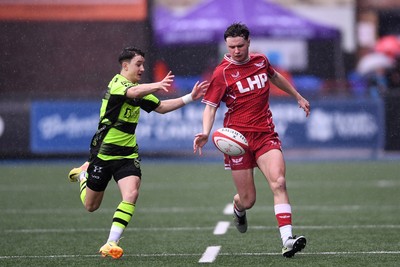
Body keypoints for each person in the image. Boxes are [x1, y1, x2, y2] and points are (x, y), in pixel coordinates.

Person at [68, 46, 209, 259]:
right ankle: (83, 175)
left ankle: (111, 242)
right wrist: (158, 85)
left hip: (127, 154)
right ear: (125, 66)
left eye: (143, 64)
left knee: (132, 193)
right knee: (91, 206)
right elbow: (131, 92)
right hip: (103, 153)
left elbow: (160, 107)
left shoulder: (139, 89)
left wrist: (190, 97)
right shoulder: (117, 84)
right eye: (138, 64)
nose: (142, 68)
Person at [193, 23, 310, 258]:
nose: (236, 50)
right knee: (248, 200)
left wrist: (297, 95)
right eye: (231, 46)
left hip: (265, 135)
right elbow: (210, 107)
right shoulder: (222, 73)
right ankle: (238, 207)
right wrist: (206, 131)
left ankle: (287, 239)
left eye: (240, 45)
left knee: (278, 182)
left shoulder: (260, 61)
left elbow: (275, 78)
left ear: (249, 42)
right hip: (237, 142)